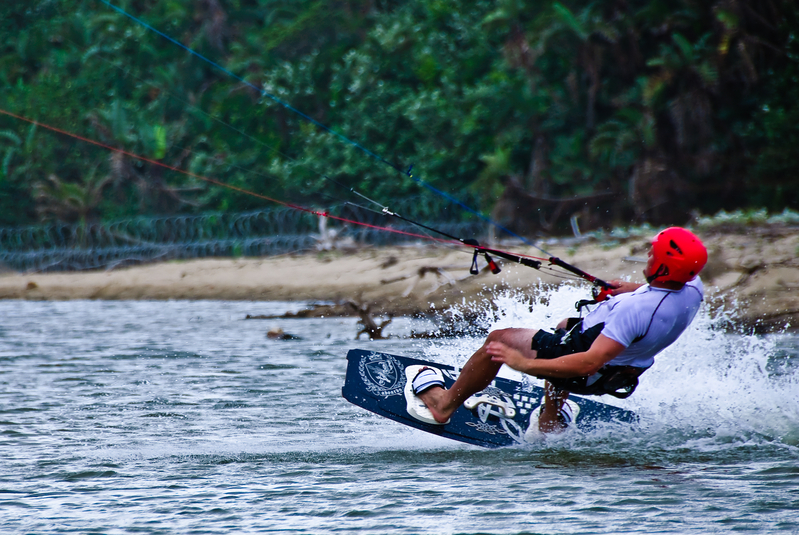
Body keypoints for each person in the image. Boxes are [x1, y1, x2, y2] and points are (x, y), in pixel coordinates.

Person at [412, 226, 708, 433]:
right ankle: (550, 421)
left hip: (589, 371)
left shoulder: (636, 310)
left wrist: (523, 363)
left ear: (665, 269)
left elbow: (590, 361)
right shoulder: (692, 287)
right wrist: (632, 289)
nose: (648, 257)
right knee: (564, 327)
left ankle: (443, 405)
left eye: (653, 255)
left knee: (498, 341)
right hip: (623, 372)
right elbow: (659, 295)